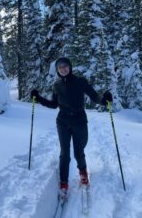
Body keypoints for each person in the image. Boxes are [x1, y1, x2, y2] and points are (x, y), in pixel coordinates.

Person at [30, 57, 113, 197]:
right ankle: (63, 182)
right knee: (64, 153)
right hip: (62, 121)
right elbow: (53, 104)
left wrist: (104, 101)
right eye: (60, 67)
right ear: (57, 70)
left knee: (78, 150)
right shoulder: (57, 85)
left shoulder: (80, 81)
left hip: (79, 120)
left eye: (65, 66)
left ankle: (83, 173)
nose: (63, 69)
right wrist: (38, 98)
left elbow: (93, 96)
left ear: (70, 67)